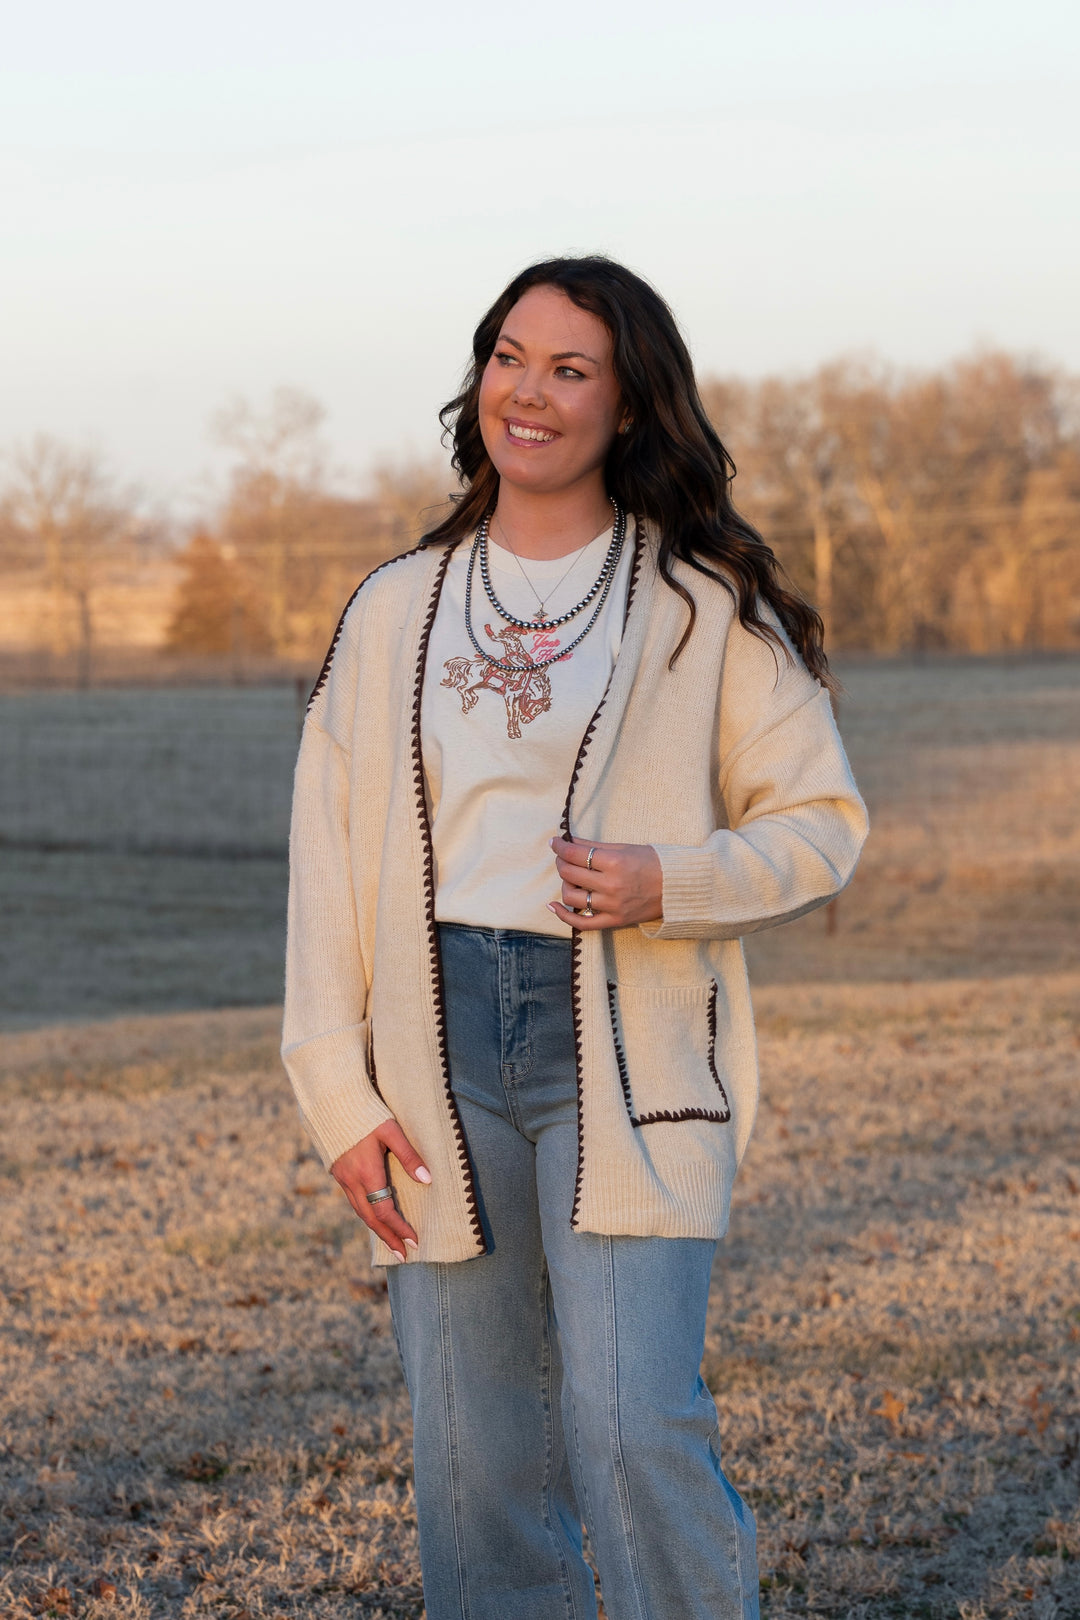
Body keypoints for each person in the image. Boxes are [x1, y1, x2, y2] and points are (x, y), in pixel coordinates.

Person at [282, 256, 868, 1620]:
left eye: (569, 368)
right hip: (432, 1046)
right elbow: (325, 854)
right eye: (508, 357)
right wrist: (335, 1091)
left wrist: (673, 881)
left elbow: (822, 825)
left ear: (628, 404)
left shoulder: (702, 606)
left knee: (630, 1426)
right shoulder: (393, 607)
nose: (528, 393)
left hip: (628, 1049)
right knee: (473, 1457)